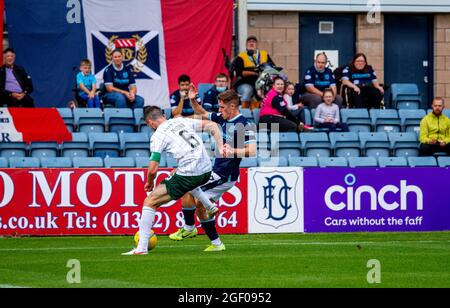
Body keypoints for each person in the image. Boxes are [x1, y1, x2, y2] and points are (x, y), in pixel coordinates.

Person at [122, 106, 224, 256]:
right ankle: (209, 206)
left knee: (150, 201)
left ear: (150, 122)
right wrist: (220, 147)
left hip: (191, 171)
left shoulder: (158, 135)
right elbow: (212, 125)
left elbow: (153, 168)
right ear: (162, 115)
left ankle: (141, 248)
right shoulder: (181, 121)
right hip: (207, 168)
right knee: (180, 175)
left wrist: (150, 182)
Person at [169, 88, 257, 252]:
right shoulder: (223, 118)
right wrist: (193, 100)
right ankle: (216, 244)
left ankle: (189, 228)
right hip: (217, 171)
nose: (219, 111)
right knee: (199, 202)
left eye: (222, 108)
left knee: (189, 186)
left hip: (225, 175)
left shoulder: (243, 124)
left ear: (232, 106)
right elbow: (202, 113)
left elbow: (252, 150)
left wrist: (233, 151)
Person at [234, 36, 275, 110]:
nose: (251, 43)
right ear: (246, 45)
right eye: (249, 42)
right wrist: (255, 73)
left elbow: (272, 67)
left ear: (257, 44)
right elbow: (239, 73)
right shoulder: (241, 56)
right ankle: (244, 111)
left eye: (253, 41)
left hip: (263, 82)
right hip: (245, 82)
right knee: (247, 90)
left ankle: (267, 111)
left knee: (271, 91)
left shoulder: (264, 54)